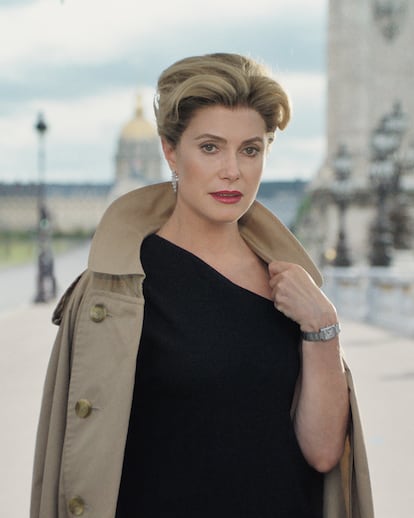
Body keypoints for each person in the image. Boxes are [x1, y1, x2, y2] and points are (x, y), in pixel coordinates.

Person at [30, 53, 374, 518]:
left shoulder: (291, 286)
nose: (232, 170)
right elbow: (73, 455)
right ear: (171, 151)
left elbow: (322, 453)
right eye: (210, 147)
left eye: (250, 149)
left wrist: (322, 326)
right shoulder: (116, 290)